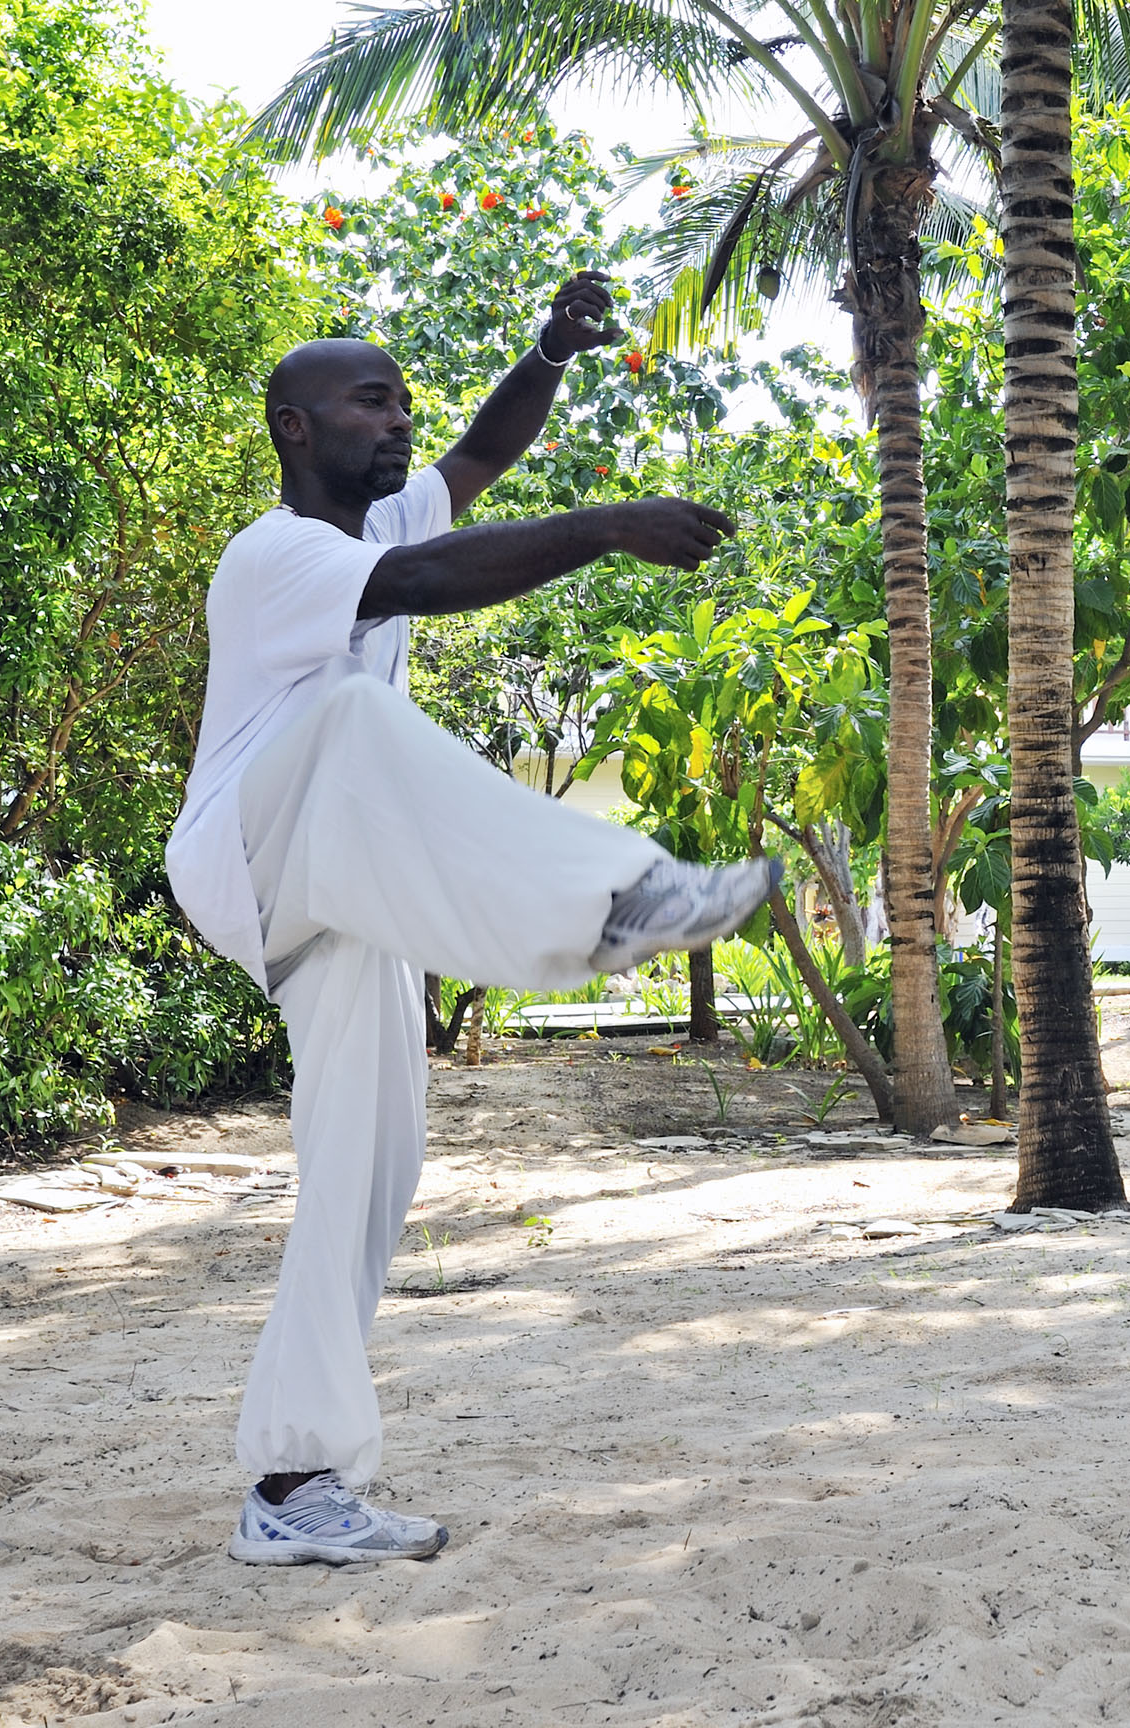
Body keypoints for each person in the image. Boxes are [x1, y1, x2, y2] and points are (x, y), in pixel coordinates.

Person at [165, 272, 775, 1567]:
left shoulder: (385, 515)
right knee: (352, 716)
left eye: (401, 402)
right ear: (293, 426)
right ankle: (620, 893)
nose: (397, 422)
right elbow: (426, 580)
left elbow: (482, 455)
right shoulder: (279, 556)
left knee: (366, 1179)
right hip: (254, 852)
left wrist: (550, 349)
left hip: (337, 900)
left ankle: (295, 1484)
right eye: (367, 402)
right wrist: (604, 526)